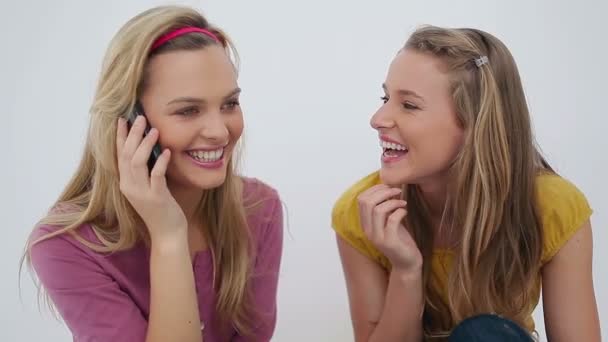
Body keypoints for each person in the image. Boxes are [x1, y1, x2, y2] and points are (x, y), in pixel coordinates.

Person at [21, 5, 283, 342]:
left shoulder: (259, 209)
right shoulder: (65, 245)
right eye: (188, 110)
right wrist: (169, 238)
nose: (219, 132)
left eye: (229, 104)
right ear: (129, 121)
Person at [331, 25, 601, 341]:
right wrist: (405, 271)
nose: (378, 118)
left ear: (474, 124)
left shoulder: (552, 206)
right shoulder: (363, 211)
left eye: (409, 105)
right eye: (385, 97)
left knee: (482, 334)